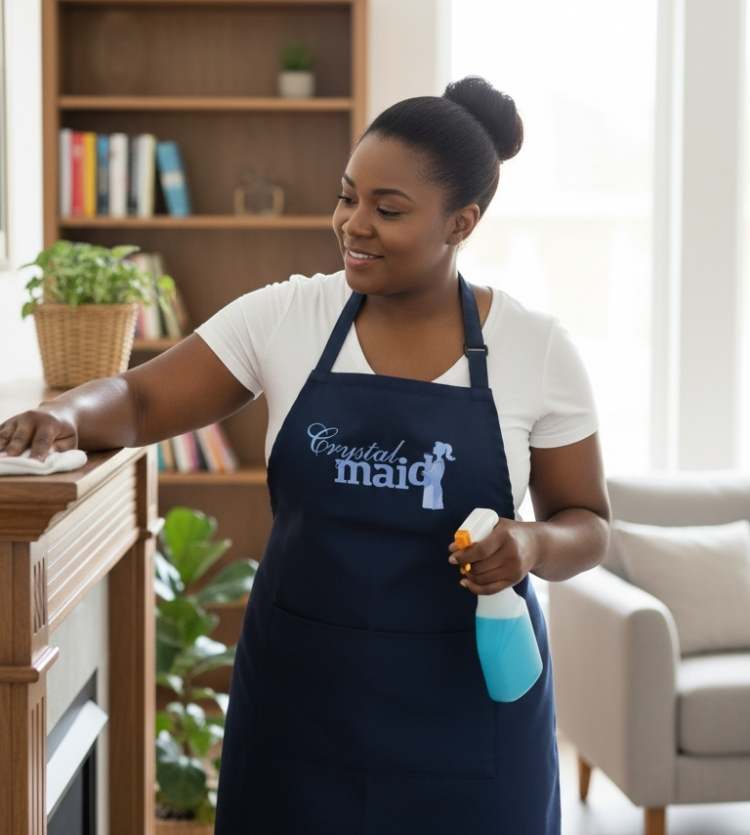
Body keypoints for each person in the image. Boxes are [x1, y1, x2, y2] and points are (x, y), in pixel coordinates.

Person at [0, 75, 611, 834]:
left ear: (462, 221)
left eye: (387, 210)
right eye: (347, 196)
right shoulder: (292, 314)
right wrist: (63, 413)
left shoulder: (536, 348)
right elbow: (141, 400)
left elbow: (587, 521)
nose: (353, 224)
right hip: (300, 712)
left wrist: (531, 542)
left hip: (469, 722)